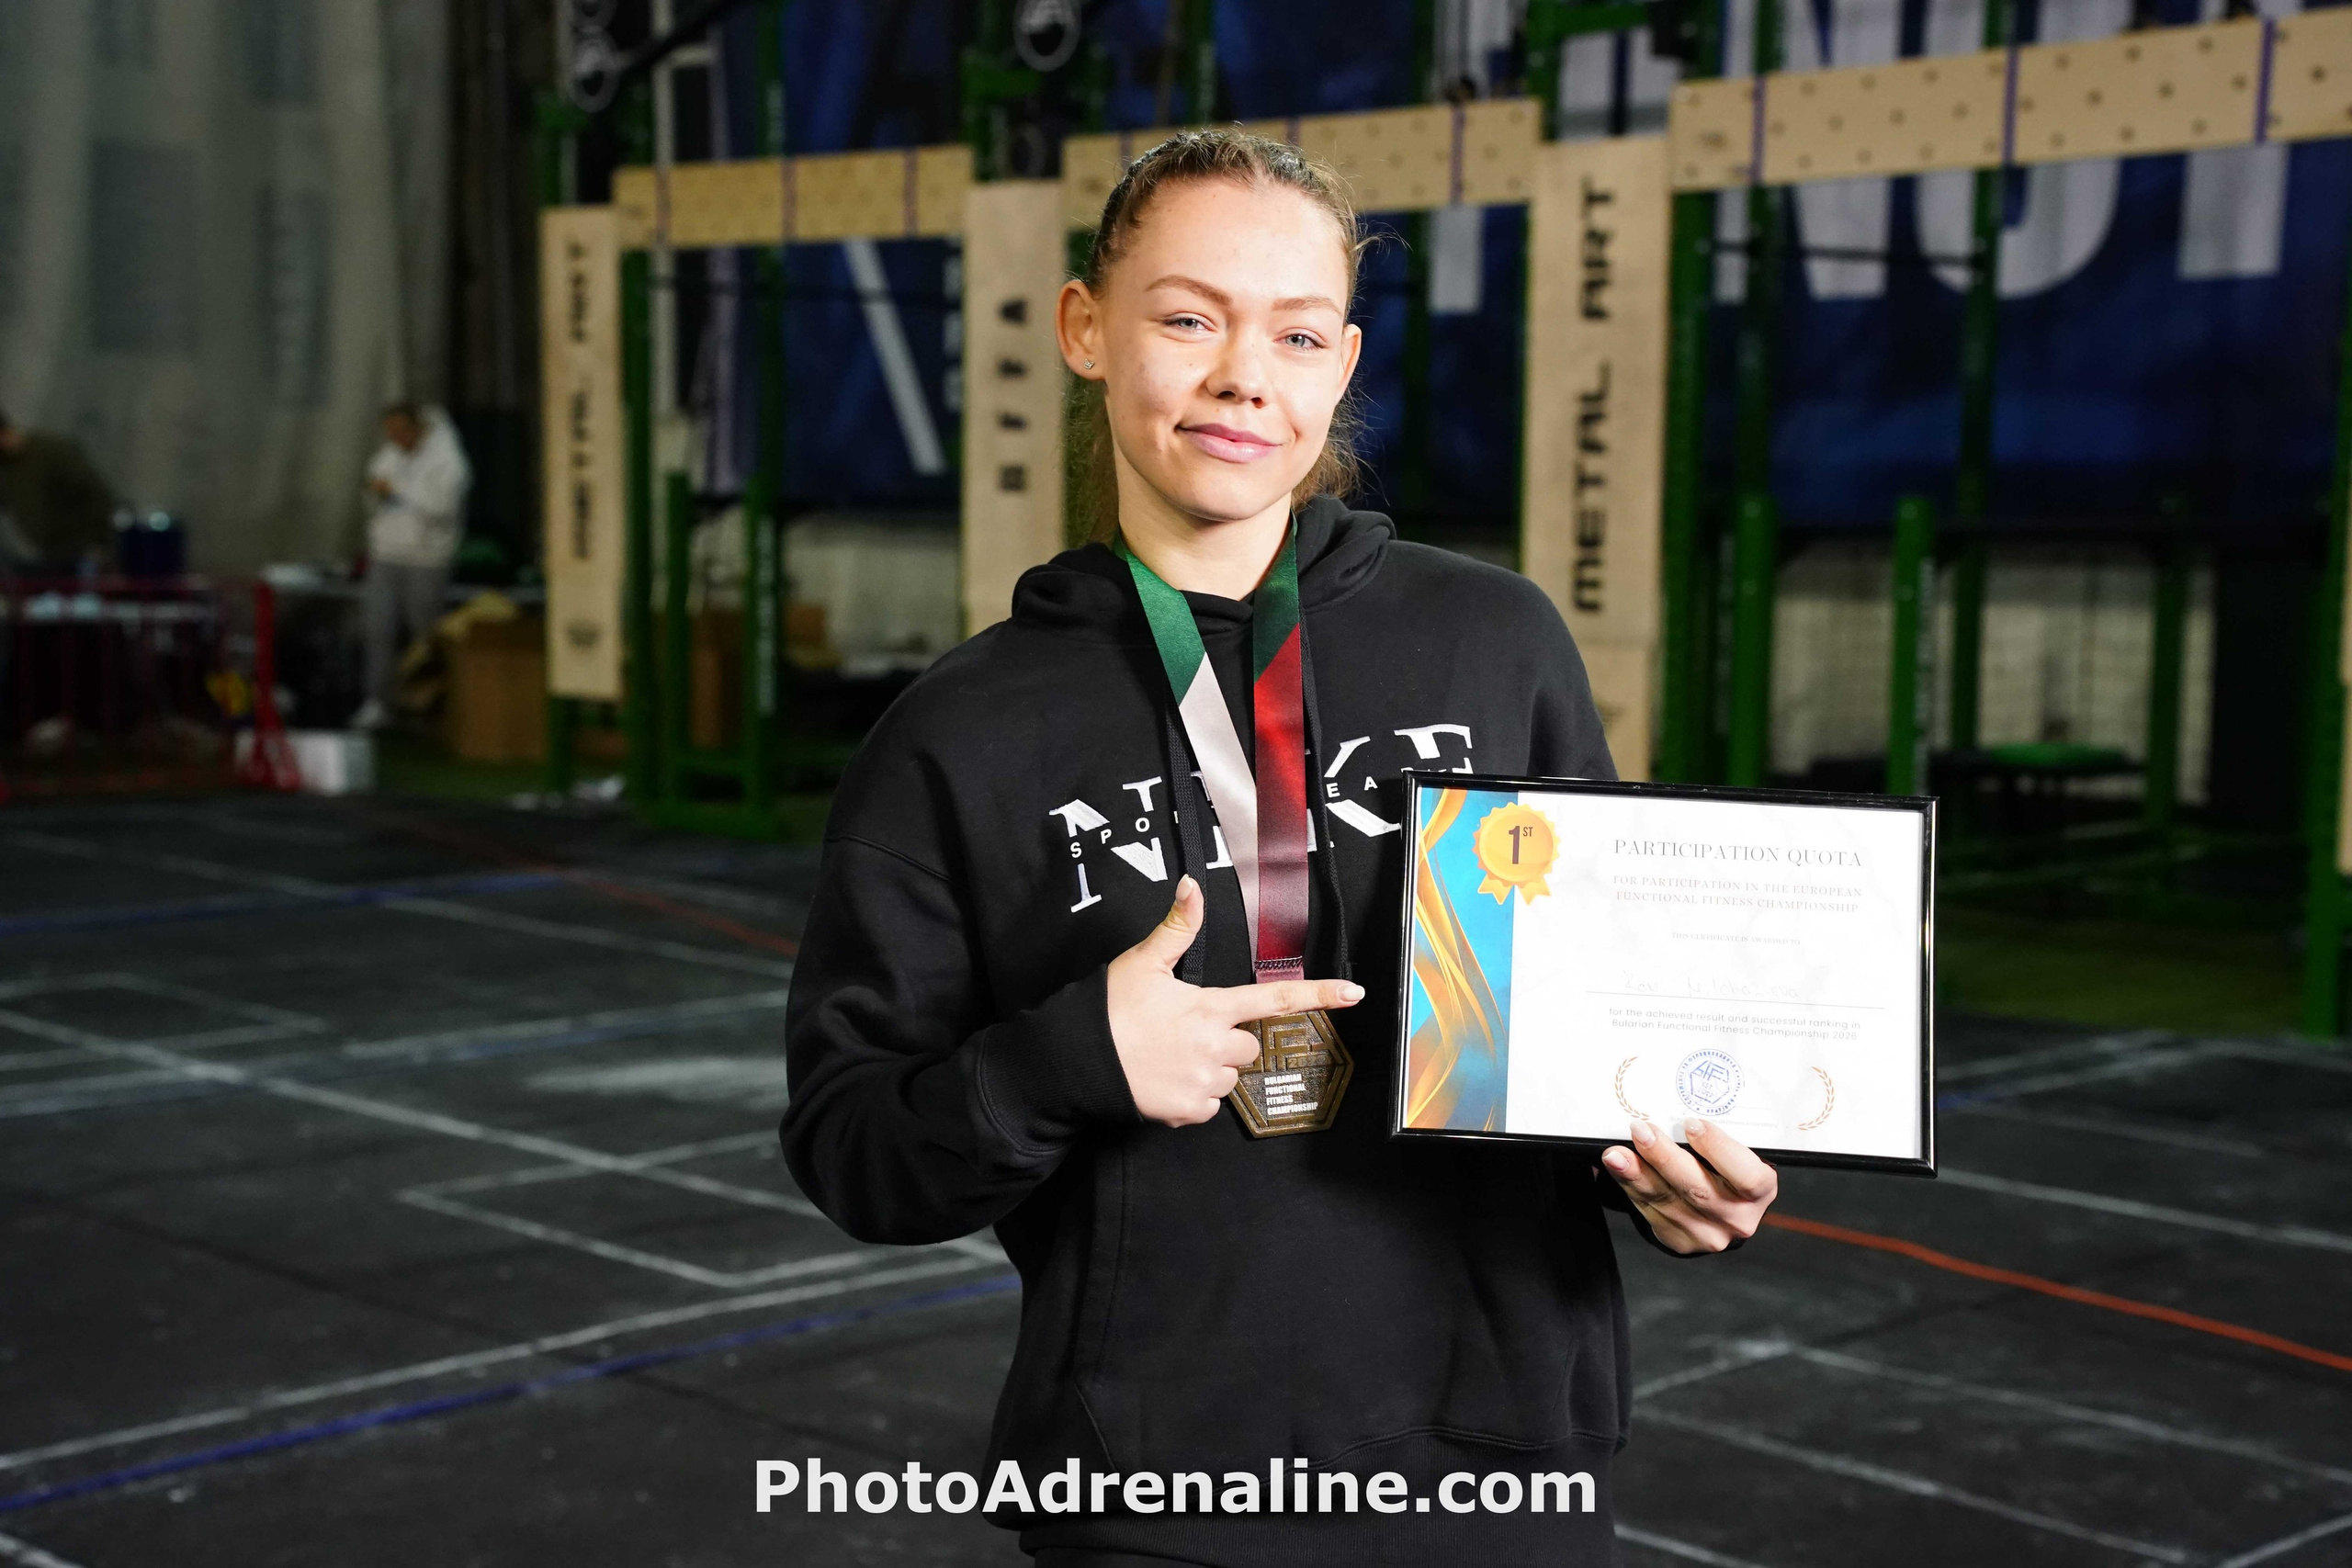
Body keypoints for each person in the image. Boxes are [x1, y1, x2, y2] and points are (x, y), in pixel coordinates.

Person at [778, 130, 1779, 1566]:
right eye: (1187, 317)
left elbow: (1593, 1027)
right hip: (1158, 1485)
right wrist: (1072, 1058)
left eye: (1296, 332)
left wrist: (1672, 1168)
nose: (1246, 373)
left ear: (1342, 361)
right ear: (1084, 328)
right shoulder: (961, 732)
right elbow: (855, 1148)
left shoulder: (1495, 642)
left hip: (1500, 1462)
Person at [354, 400, 470, 729]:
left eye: (401, 431)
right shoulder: (387, 457)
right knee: (378, 630)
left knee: (425, 634)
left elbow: (442, 508)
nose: (396, 438)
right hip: (386, 555)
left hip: (427, 559)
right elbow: (374, 494)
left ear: (417, 427)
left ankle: (436, 706)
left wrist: (397, 492)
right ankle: (378, 703)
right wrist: (378, 494)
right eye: (390, 433)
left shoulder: (448, 460)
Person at [0, 406, 117, 571]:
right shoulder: (5, 468)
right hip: (50, 555)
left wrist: (100, 543)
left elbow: (96, 494)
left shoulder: (52, 452)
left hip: (84, 553)